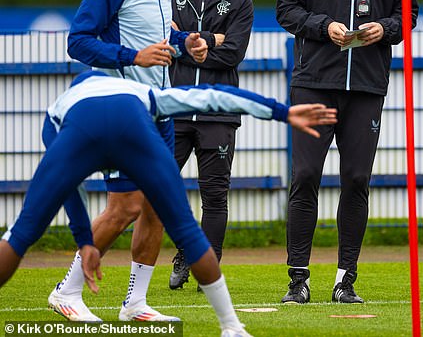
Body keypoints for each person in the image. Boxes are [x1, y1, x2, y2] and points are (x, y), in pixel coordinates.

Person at [0, 71, 337, 337]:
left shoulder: (59, 108)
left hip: (80, 131)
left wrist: (84, 241)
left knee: (23, 232)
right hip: (134, 130)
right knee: (188, 231)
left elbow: (68, 187)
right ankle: (232, 326)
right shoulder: (145, 94)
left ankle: (135, 303)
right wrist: (282, 112)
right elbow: (214, 96)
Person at [50, 0, 209, 322]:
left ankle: (135, 303)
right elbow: (78, 41)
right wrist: (132, 57)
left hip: (159, 108)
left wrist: (186, 41)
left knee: (159, 202)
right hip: (121, 109)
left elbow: (158, 37)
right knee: (124, 208)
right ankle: (67, 291)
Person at [275, 0, 418, 304]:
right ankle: (298, 279)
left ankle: (345, 279)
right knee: (304, 177)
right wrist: (323, 26)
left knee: (357, 180)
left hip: (367, 87)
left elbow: (407, 14)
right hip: (315, 83)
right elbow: (286, 8)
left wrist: (384, 29)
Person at [168, 0, 254, 290]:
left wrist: (192, 43)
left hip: (219, 113)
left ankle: (207, 271)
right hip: (175, 110)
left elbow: (232, 53)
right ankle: (185, 250)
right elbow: (165, 44)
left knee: (214, 196)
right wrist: (207, 39)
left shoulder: (240, 1)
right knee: (162, 189)